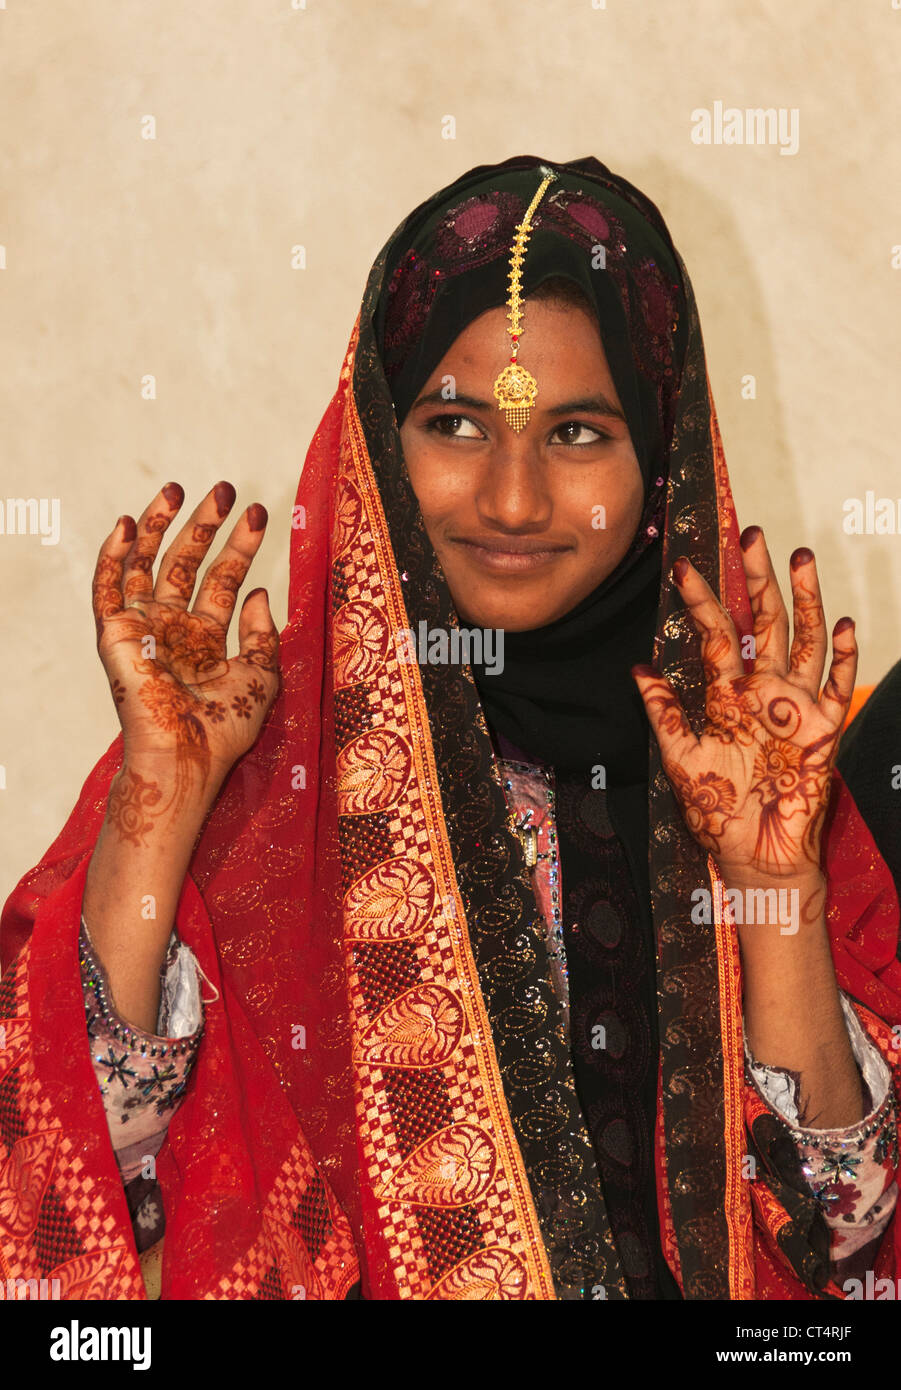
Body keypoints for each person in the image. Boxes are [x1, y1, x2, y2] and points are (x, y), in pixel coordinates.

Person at [2, 155, 900, 1302]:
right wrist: (161, 808)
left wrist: (773, 889)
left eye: (577, 433)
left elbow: (847, 1247)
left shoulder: (742, 760)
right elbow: (71, 1191)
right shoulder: (248, 758)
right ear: (379, 431)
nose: (513, 498)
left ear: (660, 457)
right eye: (455, 423)